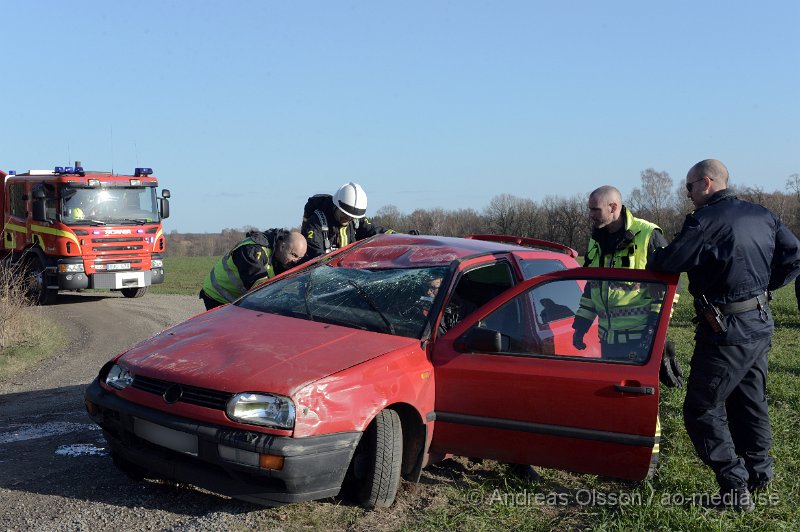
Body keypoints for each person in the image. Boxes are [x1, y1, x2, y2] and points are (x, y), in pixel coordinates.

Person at [648, 159, 800, 512]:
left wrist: (656, 256)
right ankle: (759, 475)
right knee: (750, 401)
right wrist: (762, 290)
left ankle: (735, 487)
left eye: (688, 187)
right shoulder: (762, 214)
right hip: (760, 322)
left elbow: (669, 262)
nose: (687, 194)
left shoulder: (705, 221)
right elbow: (794, 256)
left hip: (726, 330)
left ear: (706, 182)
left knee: (701, 409)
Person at [571, 186, 681, 380]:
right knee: (611, 396)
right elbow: (592, 287)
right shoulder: (595, 240)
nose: (590, 215)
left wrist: (654, 331)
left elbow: (670, 288)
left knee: (636, 397)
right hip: (607, 339)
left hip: (641, 339)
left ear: (613, 207)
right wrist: (581, 326)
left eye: (595, 210)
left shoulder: (647, 234)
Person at [199, 229, 307, 311]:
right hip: (218, 296)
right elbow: (259, 290)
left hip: (237, 298)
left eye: (299, 258)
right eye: (294, 255)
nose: (295, 261)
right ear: (282, 246)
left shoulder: (281, 255)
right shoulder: (253, 251)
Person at [301, 182, 394, 260]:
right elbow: (315, 252)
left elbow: (374, 230)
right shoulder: (316, 222)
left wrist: (398, 236)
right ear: (336, 206)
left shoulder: (355, 219)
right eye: (344, 214)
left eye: (351, 217)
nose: (348, 219)